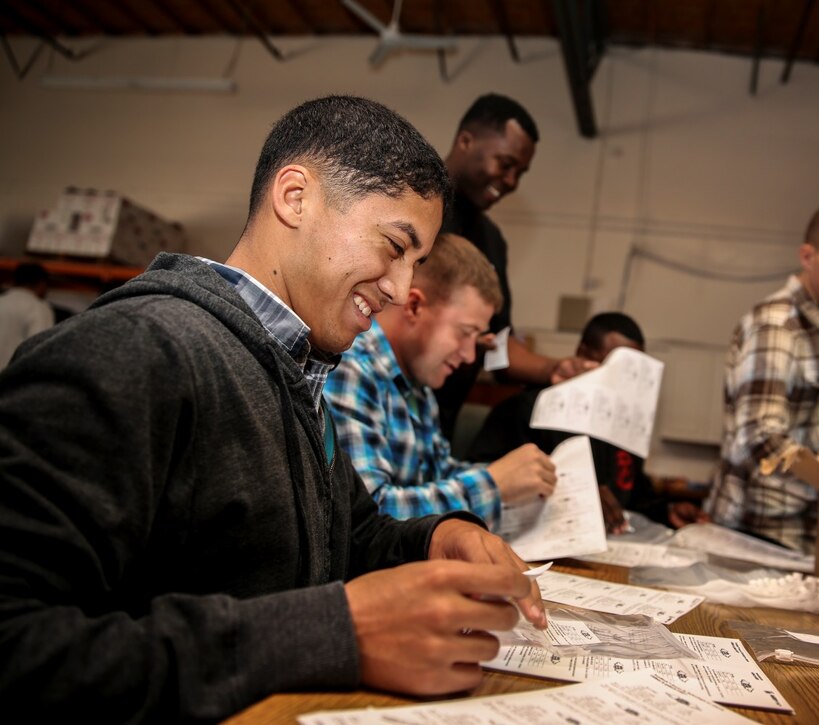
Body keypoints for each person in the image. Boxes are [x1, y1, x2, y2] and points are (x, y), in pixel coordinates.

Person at [0, 95, 546, 722]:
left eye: (416, 264)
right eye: (394, 247)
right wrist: (332, 636)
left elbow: (349, 534)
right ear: (295, 198)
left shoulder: (296, 370)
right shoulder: (132, 352)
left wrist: (436, 537)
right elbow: (18, 645)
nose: (400, 290)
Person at [325, 232, 557, 531]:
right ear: (414, 307)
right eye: (465, 332)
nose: (469, 355)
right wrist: (494, 485)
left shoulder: (418, 382)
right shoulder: (351, 368)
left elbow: (438, 474)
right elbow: (368, 515)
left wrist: (518, 477)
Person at [704, 201, 819, 553]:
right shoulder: (778, 326)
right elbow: (760, 439)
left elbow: (813, 432)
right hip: (756, 530)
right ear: (807, 256)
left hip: (801, 527)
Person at [435, 93, 595, 438]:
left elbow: (498, 345)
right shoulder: (412, 207)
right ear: (466, 141)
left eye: (520, 173)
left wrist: (555, 368)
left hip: (436, 431)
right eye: (505, 164)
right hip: (382, 408)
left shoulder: (492, 240)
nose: (511, 182)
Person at [467, 312, 710, 534]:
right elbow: (485, 484)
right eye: (614, 367)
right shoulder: (524, 411)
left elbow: (634, 496)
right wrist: (572, 495)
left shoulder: (624, 426)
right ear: (583, 353)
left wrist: (667, 511)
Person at [0, 262, 54, 369]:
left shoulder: (1, 301)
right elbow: (40, 349)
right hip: (12, 380)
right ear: (42, 284)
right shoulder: (38, 308)